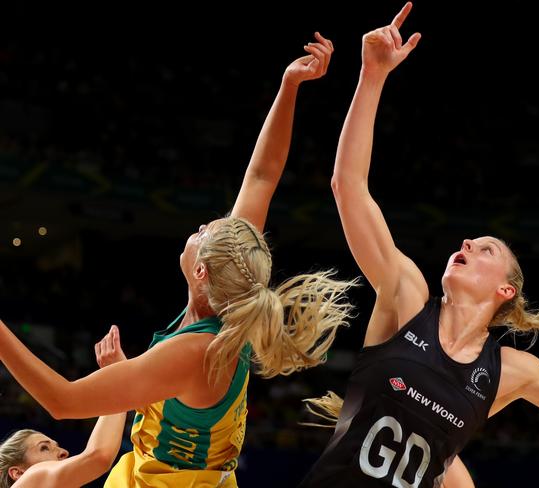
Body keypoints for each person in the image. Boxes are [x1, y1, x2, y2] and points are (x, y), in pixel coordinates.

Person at [299, 3, 539, 487]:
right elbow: (348, 186)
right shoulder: (406, 298)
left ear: (505, 290)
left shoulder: (510, 371)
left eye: (487, 249)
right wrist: (372, 75)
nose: (467, 242)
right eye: (472, 241)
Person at [0, 32, 357, 488]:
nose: (202, 227)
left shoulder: (195, 352)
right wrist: (290, 87)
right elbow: (263, 176)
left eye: (202, 233)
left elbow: (61, 401)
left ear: (200, 271)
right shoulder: (234, 296)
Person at [0, 326, 126, 488]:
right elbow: (99, 456)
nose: (65, 452)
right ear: (18, 473)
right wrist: (118, 379)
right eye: (44, 448)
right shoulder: (29, 481)